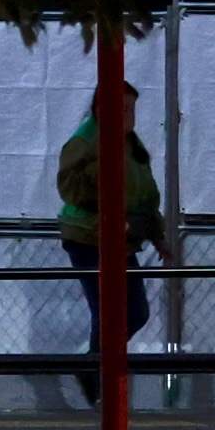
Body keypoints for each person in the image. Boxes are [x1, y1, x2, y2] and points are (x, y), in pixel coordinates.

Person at [51, 104, 170, 406]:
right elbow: (73, 187)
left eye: (132, 108)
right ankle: (96, 370)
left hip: (122, 240)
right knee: (108, 310)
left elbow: (145, 192)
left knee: (136, 311)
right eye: (123, 108)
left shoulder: (131, 145)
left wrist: (157, 236)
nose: (129, 115)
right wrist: (112, 208)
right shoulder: (88, 142)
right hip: (89, 236)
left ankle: (93, 366)